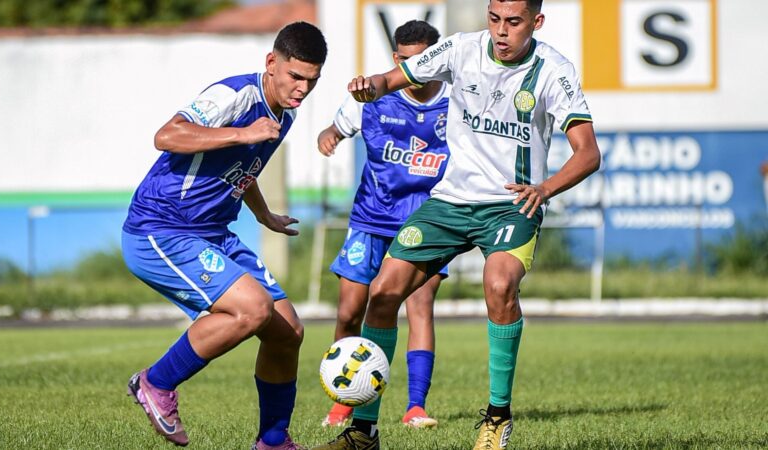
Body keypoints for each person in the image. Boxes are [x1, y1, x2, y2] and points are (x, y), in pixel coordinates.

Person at [313, 1, 600, 449]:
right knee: (383, 293)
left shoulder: (553, 71)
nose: (501, 31)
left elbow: (588, 153)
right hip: (448, 203)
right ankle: (364, 432)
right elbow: (394, 79)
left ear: (536, 22)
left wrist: (544, 189)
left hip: (510, 204)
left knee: (500, 284)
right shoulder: (460, 50)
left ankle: (497, 417)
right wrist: (371, 86)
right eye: (495, 19)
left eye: (514, 22)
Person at [120, 22, 327, 450]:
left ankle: (273, 441)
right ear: (272, 63)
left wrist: (265, 214)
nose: (303, 89)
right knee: (252, 309)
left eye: (312, 80)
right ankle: (155, 383)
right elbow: (167, 135)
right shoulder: (235, 96)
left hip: (212, 233)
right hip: (161, 228)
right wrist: (241, 132)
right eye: (295, 77)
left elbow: (239, 171)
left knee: (287, 330)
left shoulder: (282, 114)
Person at [317, 20, 450, 430]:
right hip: (370, 218)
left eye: (423, 61)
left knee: (420, 306)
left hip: (426, 224)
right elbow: (334, 128)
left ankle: (415, 406)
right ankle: (343, 399)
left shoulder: (459, 103)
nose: (415, 70)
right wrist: (329, 137)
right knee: (349, 310)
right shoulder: (371, 98)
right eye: (406, 61)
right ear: (396, 59)